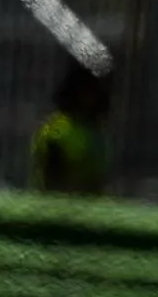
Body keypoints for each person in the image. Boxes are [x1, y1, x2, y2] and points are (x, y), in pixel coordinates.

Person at [30, 63, 112, 197]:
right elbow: (53, 183)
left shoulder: (95, 130)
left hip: (89, 211)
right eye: (86, 91)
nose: (91, 97)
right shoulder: (56, 131)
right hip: (58, 210)